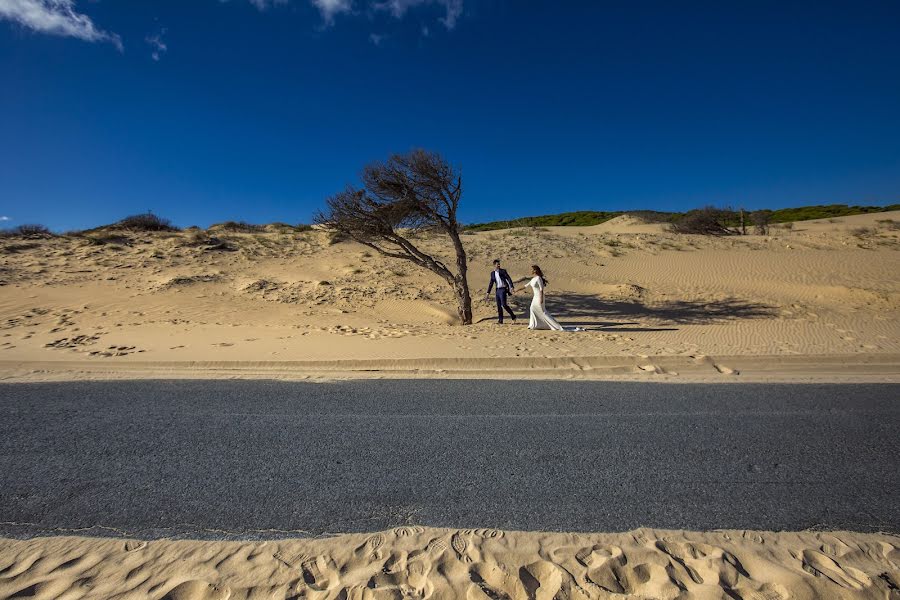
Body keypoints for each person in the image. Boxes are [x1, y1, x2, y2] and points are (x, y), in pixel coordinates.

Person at [526, 265, 582, 331]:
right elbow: (525, 286)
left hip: (539, 296)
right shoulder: (533, 279)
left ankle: (556, 326)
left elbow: (541, 289)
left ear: (535, 271)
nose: (531, 271)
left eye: (532, 269)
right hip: (535, 297)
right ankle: (533, 325)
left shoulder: (538, 278)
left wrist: (541, 298)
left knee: (542, 312)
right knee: (532, 308)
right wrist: (515, 290)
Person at [485, 259, 517, 324]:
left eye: (499, 264)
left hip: (503, 289)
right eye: (497, 264)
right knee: (498, 306)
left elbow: (508, 278)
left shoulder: (503, 271)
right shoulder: (492, 273)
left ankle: (513, 316)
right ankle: (500, 320)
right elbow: (491, 283)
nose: (499, 265)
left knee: (504, 305)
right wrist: (488, 293)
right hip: (497, 290)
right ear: (494, 265)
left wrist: (511, 287)